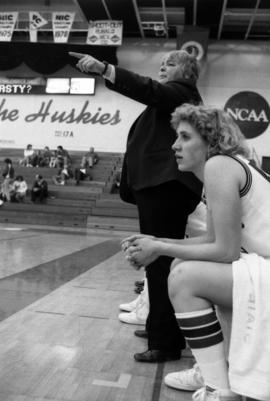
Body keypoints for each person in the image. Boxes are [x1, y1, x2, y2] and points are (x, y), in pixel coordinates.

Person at [123, 104, 270, 401]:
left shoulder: (220, 166)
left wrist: (159, 247)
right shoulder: (224, 167)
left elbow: (225, 251)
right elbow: (214, 240)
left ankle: (218, 385)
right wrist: (156, 241)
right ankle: (215, 369)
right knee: (184, 263)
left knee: (185, 277)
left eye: (185, 137)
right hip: (262, 265)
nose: (174, 145)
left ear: (210, 140)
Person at [70, 49, 203, 363]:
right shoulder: (175, 98)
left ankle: (166, 341)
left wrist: (105, 68)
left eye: (169, 64)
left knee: (159, 263)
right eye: (161, 63)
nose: (162, 67)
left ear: (186, 72)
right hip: (161, 188)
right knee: (159, 263)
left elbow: (148, 89)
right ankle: (164, 327)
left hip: (164, 187)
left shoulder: (180, 93)